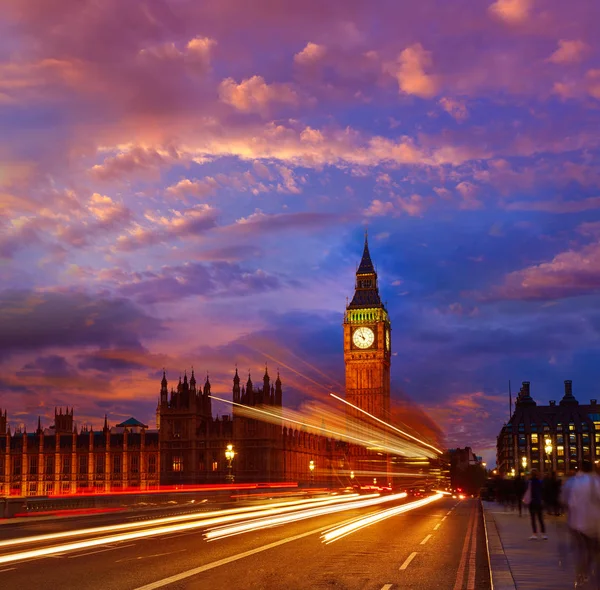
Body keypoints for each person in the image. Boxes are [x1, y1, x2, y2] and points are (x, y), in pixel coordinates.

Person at [562, 461, 600, 587]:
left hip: (576, 522)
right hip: (593, 523)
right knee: (592, 550)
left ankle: (580, 574)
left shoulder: (573, 482)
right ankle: (587, 572)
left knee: (581, 549)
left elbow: (565, 500)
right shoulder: (596, 482)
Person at [524, 469, 547, 540]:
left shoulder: (529, 482)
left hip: (532, 502)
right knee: (540, 518)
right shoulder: (540, 482)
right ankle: (543, 534)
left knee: (533, 518)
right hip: (539, 501)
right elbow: (543, 491)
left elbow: (526, 490)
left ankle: (534, 534)